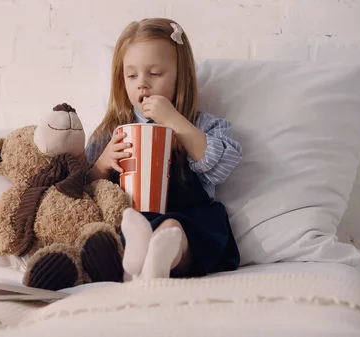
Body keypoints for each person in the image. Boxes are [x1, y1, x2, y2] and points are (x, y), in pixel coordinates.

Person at [85, 18, 242, 281]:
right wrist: (102, 164)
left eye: (155, 73)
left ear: (181, 75)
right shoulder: (111, 131)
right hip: (130, 217)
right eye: (132, 75)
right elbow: (84, 188)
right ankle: (138, 258)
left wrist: (174, 121)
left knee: (172, 230)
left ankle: (157, 260)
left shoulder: (201, 125)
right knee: (126, 228)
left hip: (188, 219)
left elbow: (222, 166)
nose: (142, 84)